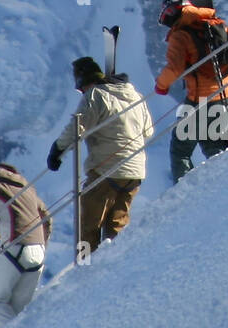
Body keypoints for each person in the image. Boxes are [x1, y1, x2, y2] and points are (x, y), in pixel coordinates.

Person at [46, 56, 151, 255]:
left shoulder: (95, 95)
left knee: (88, 225)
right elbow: (149, 132)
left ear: (84, 81)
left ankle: (85, 268)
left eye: (80, 88)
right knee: (117, 225)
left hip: (106, 170)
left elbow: (78, 126)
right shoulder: (134, 94)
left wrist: (57, 150)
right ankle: (113, 266)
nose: (81, 92)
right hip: (135, 171)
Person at [153, 0, 228, 181]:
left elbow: (174, 69)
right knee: (226, 145)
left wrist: (161, 86)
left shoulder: (180, 35)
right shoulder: (218, 23)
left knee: (182, 150)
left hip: (202, 99)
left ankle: (184, 197)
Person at [0, 158, 51, 323]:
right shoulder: (26, 186)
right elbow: (46, 217)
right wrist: (42, 244)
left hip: (15, 248)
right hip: (38, 252)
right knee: (18, 310)